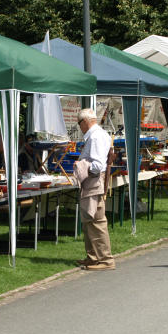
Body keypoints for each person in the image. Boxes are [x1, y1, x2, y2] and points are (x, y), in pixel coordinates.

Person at [73, 108, 114, 271]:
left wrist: (82, 167)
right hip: (94, 182)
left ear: (85, 121)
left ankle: (105, 259)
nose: (79, 127)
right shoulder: (99, 135)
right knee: (89, 222)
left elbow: (97, 165)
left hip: (93, 182)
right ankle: (93, 257)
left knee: (96, 222)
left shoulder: (95, 137)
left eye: (79, 123)